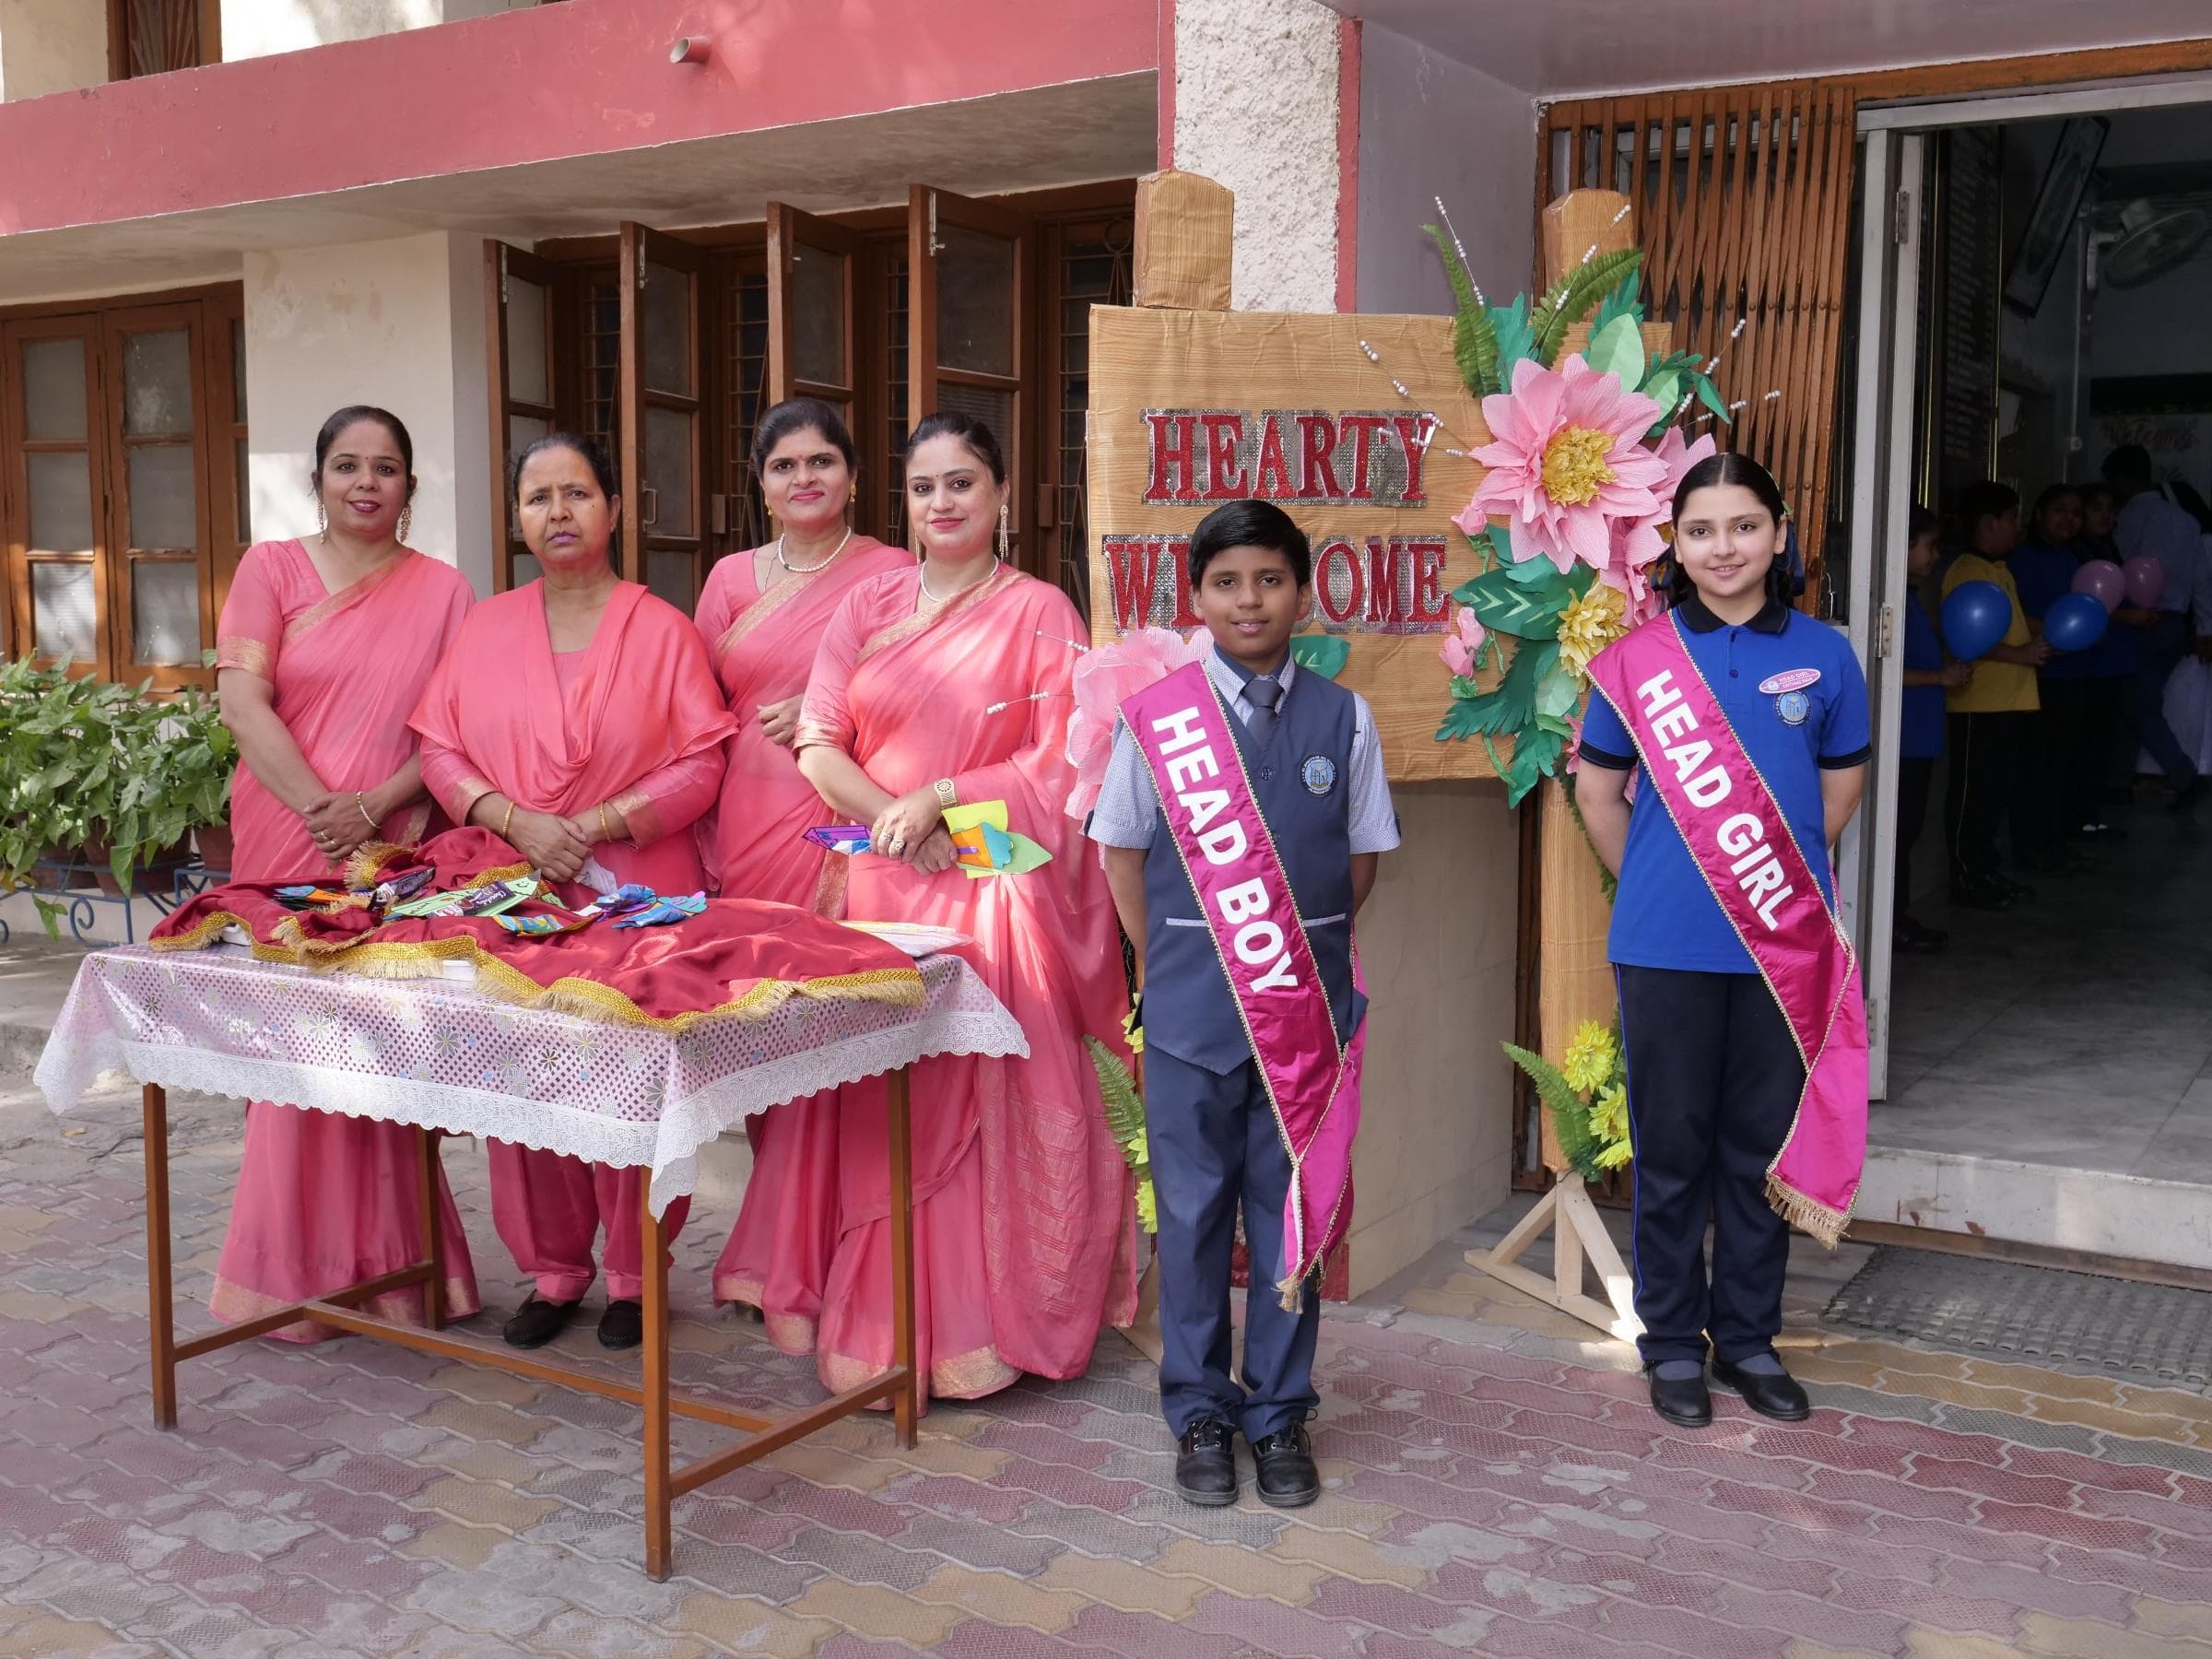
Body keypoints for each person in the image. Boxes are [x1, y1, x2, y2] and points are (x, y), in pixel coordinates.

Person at [793, 413, 1135, 1403]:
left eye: (962, 483)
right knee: (888, 1103)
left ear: (1001, 494)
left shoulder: (1041, 612)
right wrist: (898, 821)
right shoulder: (867, 605)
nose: (941, 502)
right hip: (886, 887)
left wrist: (943, 798)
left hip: (998, 888)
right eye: (923, 486)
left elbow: (1065, 762)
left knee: (989, 1100)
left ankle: (992, 1332)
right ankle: (884, 1330)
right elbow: (818, 744)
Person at [1087, 499, 1397, 1509]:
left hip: (1303, 1024)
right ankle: (1201, 1415)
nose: (1249, 600)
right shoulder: (1158, 719)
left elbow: (1358, 865)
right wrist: (1172, 966)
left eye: (1269, 579)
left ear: (1303, 592)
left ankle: (1279, 1413)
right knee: (1189, 1221)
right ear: (1197, 597)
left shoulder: (1345, 719)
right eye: (1226, 583)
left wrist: (1291, 968)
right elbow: (1121, 857)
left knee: (1289, 1217)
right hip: (1190, 1021)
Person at [410, 433, 735, 1351]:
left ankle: (636, 1274)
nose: (558, 512)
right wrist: (516, 822)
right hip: (516, 894)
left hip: (636, 893)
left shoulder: (662, 630)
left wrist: (588, 827)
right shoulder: (484, 629)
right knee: (521, 1075)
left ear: (615, 509)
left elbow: (702, 765)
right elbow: (439, 750)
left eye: (578, 493)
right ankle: (553, 1272)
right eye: (538, 497)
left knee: (631, 1080)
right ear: (517, 518)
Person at [1576, 453, 1869, 1430]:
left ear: (1779, 535)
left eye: (1745, 526)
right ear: (1678, 545)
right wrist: (1667, 882)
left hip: (1782, 946)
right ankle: (1670, 1343)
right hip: (1663, 947)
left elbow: (1834, 798)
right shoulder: (1637, 662)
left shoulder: (1827, 656)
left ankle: (1747, 1340)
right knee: (1671, 1151)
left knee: (1756, 1151)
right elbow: (1598, 795)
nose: (1724, 548)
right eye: (1701, 531)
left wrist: (1767, 889)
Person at [208, 405, 482, 1338]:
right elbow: (241, 702)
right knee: (294, 1054)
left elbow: (452, 730)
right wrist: (322, 808)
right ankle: (291, 1280)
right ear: (319, 479)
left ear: (410, 487)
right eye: (348, 465)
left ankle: (396, 1276)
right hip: (283, 838)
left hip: (387, 844)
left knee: (378, 1046)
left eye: (386, 467)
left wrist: (369, 810)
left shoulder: (444, 591)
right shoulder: (270, 569)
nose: (367, 482)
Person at [692, 398, 908, 1345]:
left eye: (822, 461)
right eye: (784, 465)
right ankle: (777, 1234)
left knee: (824, 1028)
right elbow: (694, 704)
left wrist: (827, 710)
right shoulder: (730, 579)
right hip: (743, 816)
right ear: (761, 483)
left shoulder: (892, 574)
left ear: (852, 478)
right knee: (759, 1029)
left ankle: (798, 1256)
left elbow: (909, 691)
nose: (804, 478)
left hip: (840, 817)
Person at [1941, 481, 2048, 910]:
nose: (2018, 527)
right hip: (1980, 703)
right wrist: (2020, 654)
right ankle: (1967, 875)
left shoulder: (2000, 569)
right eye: (2012, 518)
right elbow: (1964, 636)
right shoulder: (1967, 571)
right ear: (1988, 523)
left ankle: (1985, 868)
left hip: (2009, 701)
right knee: (1973, 794)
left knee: (1994, 794)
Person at [2104, 444, 2209, 811]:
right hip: (2176, 622)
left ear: (2120, 480)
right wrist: (2204, 626)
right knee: (2134, 702)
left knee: (2136, 705)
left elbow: (2115, 568)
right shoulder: (2186, 521)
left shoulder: (2127, 518)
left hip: (2138, 620)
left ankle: (2184, 776)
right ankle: (2118, 782)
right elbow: (2200, 579)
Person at [2005, 485, 2091, 875]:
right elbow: (2014, 614)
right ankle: (2029, 848)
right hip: (2037, 675)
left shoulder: (2075, 558)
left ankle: (2053, 842)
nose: (2068, 519)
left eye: (2075, 512)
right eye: (2059, 510)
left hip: (2073, 672)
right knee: (2034, 766)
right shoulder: (2023, 558)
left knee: (2063, 763)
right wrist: (2055, 633)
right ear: (2039, 515)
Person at [1897, 506, 1970, 952]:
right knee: (1899, 832)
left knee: (1908, 832)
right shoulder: (1893, 604)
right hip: (1903, 739)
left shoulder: (1911, 600)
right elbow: (1886, 669)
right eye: (1930, 546)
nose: (1936, 556)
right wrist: (1940, 677)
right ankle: (1893, 921)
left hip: (1919, 738)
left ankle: (1898, 917)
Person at [2067, 482, 2138, 840]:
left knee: (2101, 742)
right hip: (2088, 663)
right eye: (2097, 508)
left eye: (2111, 509)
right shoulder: (2078, 553)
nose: (2105, 516)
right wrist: (2128, 617)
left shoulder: (2109, 549)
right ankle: (2079, 816)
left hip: (2110, 659)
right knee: (2087, 742)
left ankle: (2089, 813)